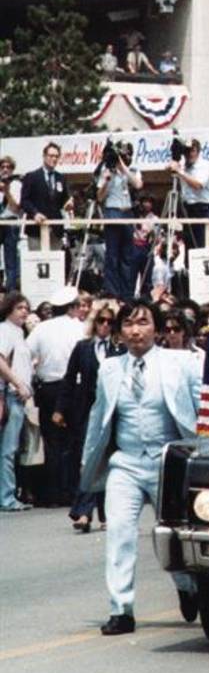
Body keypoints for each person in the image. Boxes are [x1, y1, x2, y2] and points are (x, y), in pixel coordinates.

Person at [79, 299, 202, 635]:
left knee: (174, 533)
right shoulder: (110, 368)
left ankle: (187, 585)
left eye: (143, 322)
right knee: (118, 531)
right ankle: (121, 609)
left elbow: (201, 412)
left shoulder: (182, 363)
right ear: (119, 332)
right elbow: (99, 418)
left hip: (169, 462)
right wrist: (87, 467)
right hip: (127, 463)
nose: (136, 331)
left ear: (157, 328)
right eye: (129, 324)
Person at [53, 299, 125, 532]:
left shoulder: (120, 349)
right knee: (90, 458)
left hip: (114, 411)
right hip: (87, 411)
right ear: (94, 322)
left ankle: (105, 514)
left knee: (110, 460)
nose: (105, 325)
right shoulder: (83, 347)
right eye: (101, 320)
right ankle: (83, 512)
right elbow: (69, 378)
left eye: (109, 321)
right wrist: (59, 409)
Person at [26, 287, 86, 506]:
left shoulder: (41, 329)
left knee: (52, 441)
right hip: (75, 388)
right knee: (74, 440)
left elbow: (26, 353)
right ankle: (72, 490)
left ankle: (54, 493)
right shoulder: (80, 328)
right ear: (72, 307)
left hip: (50, 388)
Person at [0, 293, 34, 512]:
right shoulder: (5, 330)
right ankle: (6, 496)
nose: (24, 311)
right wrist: (18, 384)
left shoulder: (18, 332)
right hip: (10, 395)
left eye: (26, 308)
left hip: (17, 395)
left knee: (10, 448)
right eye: (20, 307)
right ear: (9, 308)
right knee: (8, 449)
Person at [95, 140, 143, 297]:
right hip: (113, 211)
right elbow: (100, 197)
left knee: (127, 256)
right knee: (112, 256)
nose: (124, 158)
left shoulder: (132, 169)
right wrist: (106, 180)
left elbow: (137, 184)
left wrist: (123, 168)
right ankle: (112, 292)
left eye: (127, 155)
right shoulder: (106, 169)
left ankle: (127, 293)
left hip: (127, 212)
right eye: (122, 155)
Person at [20, 141, 73, 258]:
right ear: (44, 156)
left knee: (54, 266)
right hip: (36, 229)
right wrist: (35, 213)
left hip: (56, 230)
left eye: (56, 156)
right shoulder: (31, 177)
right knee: (37, 266)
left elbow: (64, 199)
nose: (54, 159)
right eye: (51, 155)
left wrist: (68, 203)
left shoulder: (61, 178)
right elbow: (24, 201)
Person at [169, 139, 209, 252]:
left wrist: (180, 172)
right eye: (187, 151)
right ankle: (189, 268)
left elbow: (198, 185)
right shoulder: (184, 166)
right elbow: (169, 167)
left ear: (198, 151)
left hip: (203, 209)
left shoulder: (204, 166)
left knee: (202, 246)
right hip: (188, 209)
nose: (189, 154)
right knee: (189, 246)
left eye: (192, 151)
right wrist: (173, 164)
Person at [0, 155, 22, 290]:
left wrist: (7, 191)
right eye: (2, 167)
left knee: (11, 260)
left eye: (8, 167)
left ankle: (11, 291)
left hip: (10, 222)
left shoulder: (16, 185)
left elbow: (16, 207)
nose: (5, 170)